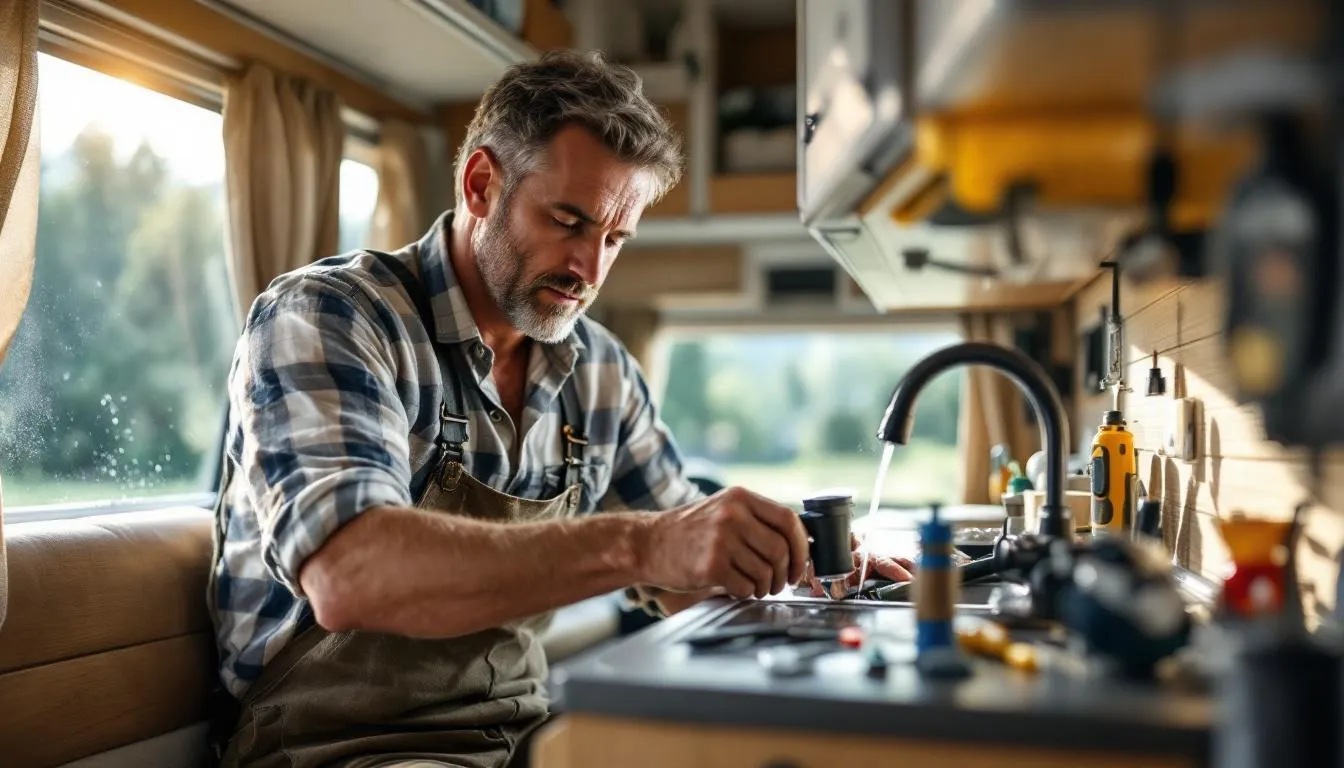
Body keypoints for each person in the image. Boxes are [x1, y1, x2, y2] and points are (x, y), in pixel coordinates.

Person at [207, 50, 913, 768]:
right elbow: (348, 574)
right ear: (481, 185)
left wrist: (792, 563)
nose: (590, 268)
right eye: (568, 221)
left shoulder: (599, 369)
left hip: (521, 735)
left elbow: (682, 569)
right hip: (340, 749)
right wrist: (643, 544)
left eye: (614, 238)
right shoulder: (333, 319)